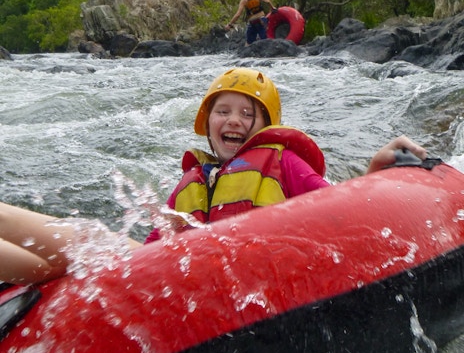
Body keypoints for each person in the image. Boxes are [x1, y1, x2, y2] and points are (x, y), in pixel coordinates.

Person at [0, 68, 426, 285]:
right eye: (223, 111)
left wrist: (374, 173)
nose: (233, 120)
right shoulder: (191, 184)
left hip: (244, 281)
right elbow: (152, 253)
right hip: (177, 282)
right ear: (208, 123)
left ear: (265, 126)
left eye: (247, 113)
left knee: (88, 244)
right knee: (67, 263)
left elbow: (340, 209)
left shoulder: (283, 163)